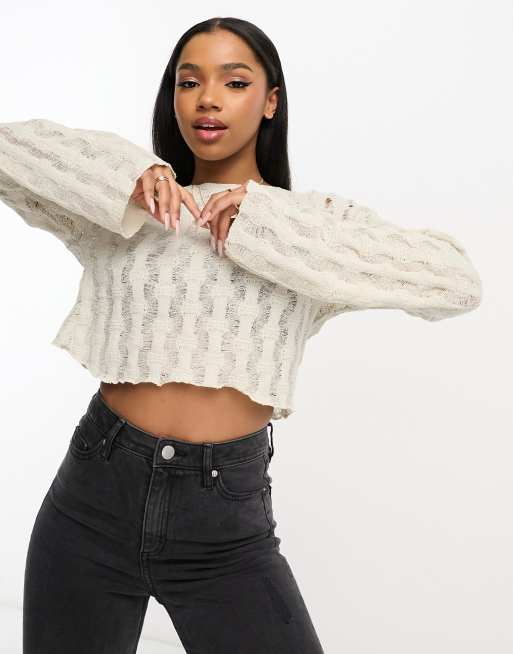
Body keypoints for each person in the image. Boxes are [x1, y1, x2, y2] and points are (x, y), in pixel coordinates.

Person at [0, 16, 482, 654]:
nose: (208, 99)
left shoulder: (306, 229)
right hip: (91, 504)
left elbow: (455, 283)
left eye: (234, 82)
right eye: (189, 81)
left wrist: (268, 223)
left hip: (223, 530)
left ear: (271, 101)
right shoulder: (134, 210)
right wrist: (120, 175)